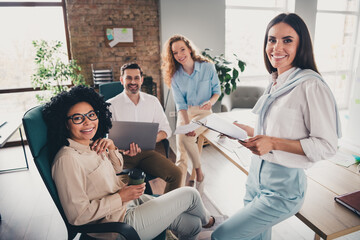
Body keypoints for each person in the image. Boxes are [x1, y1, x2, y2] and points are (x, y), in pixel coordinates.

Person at [211, 13, 341, 240]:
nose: (276, 47)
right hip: (255, 178)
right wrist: (245, 131)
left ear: (301, 45)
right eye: (272, 40)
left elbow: (327, 146)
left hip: (284, 189)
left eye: (287, 40)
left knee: (222, 236)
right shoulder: (275, 81)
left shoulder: (310, 85)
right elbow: (277, 131)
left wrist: (272, 143)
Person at [42, 85, 217, 240]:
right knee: (191, 194)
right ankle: (211, 222)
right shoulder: (67, 159)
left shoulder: (91, 144)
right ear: (65, 124)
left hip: (128, 205)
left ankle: (205, 221)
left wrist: (111, 148)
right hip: (116, 223)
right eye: (78, 118)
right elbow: (77, 216)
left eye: (91, 115)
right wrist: (120, 197)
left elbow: (117, 168)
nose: (88, 122)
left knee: (192, 224)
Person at [107, 63, 182, 193]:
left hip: (146, 153)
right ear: (121, 80)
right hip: (121, 156)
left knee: (176, 174)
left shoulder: (152, 101)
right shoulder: (110, 105)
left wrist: (150, 140)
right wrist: (120, 149)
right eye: (128, 78)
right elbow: (106, 137)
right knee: (113, 182)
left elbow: (166, 130)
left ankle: (169, 207)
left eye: (136, 78)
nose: (133, 82)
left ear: (141, 80)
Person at [161, 34, 221, 189]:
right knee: (183, 143)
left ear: (189, 48)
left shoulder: (208, 67)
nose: (180, 55)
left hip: (204, 113)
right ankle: (181, 186)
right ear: (172, 56)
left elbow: (217, 91)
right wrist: (187, 125)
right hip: (186, 114)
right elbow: (180, 105)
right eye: (175, 53)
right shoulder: (175, 76)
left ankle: (194, 174)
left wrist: (210, 102)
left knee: (185, 140)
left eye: (182, 49)